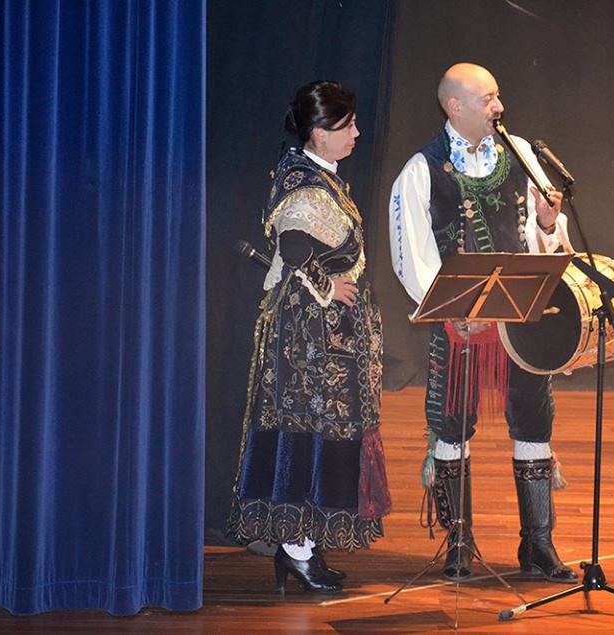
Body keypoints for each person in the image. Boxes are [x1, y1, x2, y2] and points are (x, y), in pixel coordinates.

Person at [388, 63, 577, 584]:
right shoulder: (423, 169)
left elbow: (543, 235)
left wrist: (547, 222)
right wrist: (450, 308)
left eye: (498, 96)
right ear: (455, 106)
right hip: (462, 327)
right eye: (489, 98)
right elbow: (411, 253)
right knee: (453, 426)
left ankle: (538, 543)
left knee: (534, 421)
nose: (499, 106)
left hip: (520, 321)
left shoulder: (521, 153)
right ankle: (459, 541)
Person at [228, 80, 390, 595]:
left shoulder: (319, 175)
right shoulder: (302, 181)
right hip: (307, 337)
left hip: (324, 335)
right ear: (319, 132)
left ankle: (303, 546)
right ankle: (296, 549)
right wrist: (326, 287)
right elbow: (294, 244)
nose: (356, 134)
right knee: (306, 430)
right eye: (348, 126)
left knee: (324, 431)